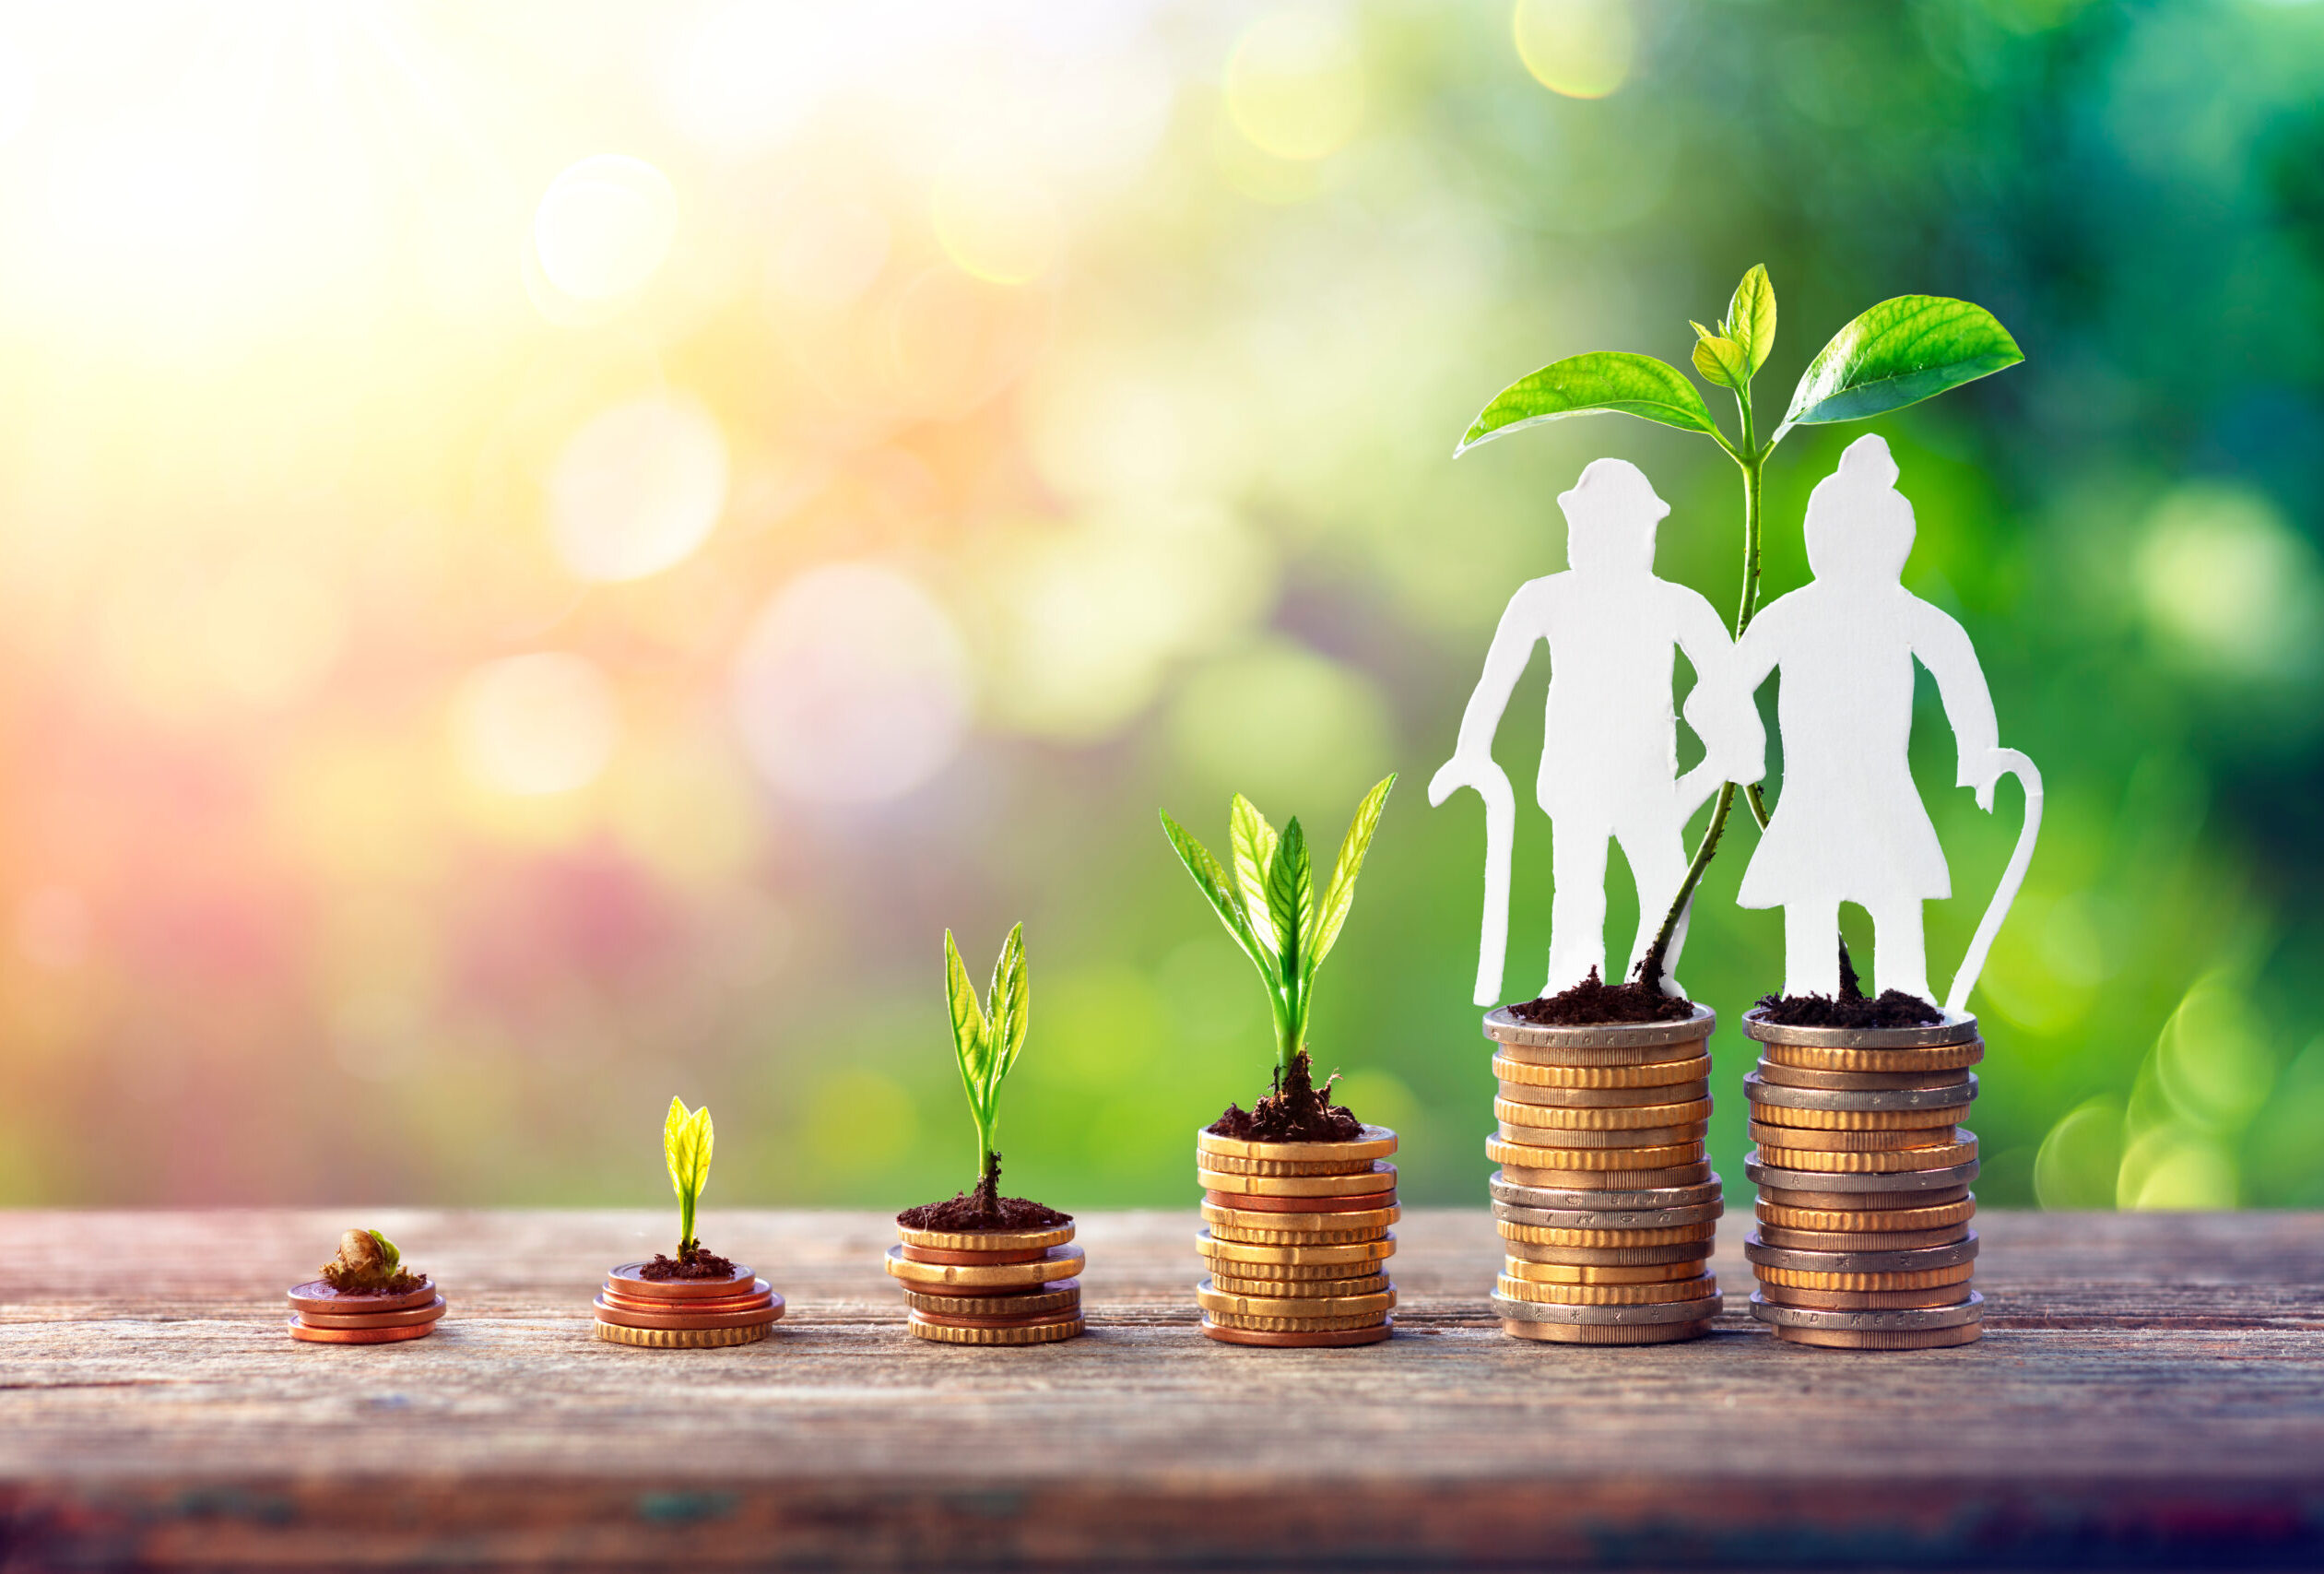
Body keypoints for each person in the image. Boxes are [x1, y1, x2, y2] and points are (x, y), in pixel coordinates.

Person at [1432, 457, 1761, 1000]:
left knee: (1669, 888)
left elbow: (1724, 678)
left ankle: (1649, 982)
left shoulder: (1672, 604)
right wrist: (1471, 750)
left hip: (1649, 780)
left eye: (1620, 527)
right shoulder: (1547, 597)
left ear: (1645, 532)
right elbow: (1496, 678)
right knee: (1580, 891)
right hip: (1576, 777)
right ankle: (1572, 982)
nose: (1603, 539)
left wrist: (1737, 739)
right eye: (1590, 526)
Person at [1732, 434, 2011, 1001]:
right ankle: (1811, 997)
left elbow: (1956, 664)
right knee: (1815, 901)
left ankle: (1905, 997)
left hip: (1884, 785)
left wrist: (1979, 753)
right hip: (1813, 789)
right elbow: (1721, 691)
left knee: (1895, 892)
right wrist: (1736, 739)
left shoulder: (1898, 612)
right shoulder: (1794, 615)